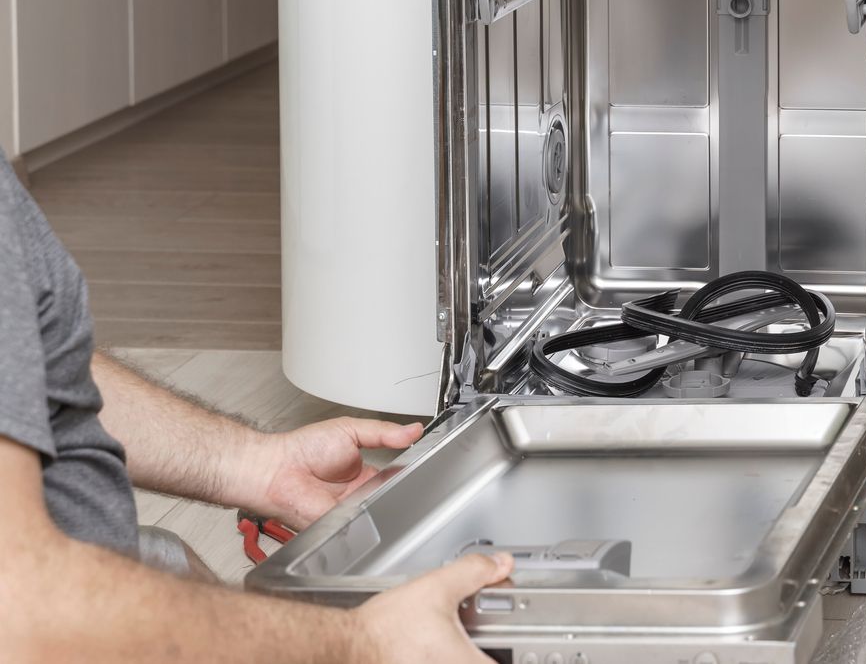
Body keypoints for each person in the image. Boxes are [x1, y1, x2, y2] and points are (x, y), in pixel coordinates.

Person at [0, 153, 513, 663]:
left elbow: (37, 363)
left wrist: (254, 464)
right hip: (63, 619)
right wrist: (365, 644)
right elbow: (27, 613)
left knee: (163, 557)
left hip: (80, 577)